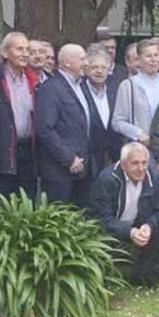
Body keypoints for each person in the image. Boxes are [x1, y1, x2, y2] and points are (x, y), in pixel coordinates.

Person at [90, 142, 159, 286]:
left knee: (158, 229)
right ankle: (103, 276)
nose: (141, 168)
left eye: (144, 163)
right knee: (97, 230)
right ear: (123, 164)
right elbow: (101, 218)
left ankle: (142, 275)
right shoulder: (106, 179)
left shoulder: (156, 178)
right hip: (112, 226)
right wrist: (129, 232)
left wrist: (148, 227)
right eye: (135, 163)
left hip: (140, 225)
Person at [0, 32, 42, 201]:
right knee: (1, 203)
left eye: (27, 49)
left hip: (29, 151)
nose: (25, 53)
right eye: (19, 49)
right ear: (5, 53)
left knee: (28, 202)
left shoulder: (34, 80)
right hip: (4, 151)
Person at [35, 44, 92, 207]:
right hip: (60, 170)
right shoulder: (51, 88)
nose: (86, 63)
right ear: (67, 62)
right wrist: (68, 158)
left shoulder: (81, 86)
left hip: (82, 168)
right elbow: (45, 129)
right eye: (82, 59)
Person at [112, 39, 159, 146]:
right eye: (148, 56)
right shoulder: (128, 86)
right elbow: (117, 122)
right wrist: (138, 133)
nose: (153, 60)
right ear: (140, 60)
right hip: (140, 148)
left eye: (156, 55)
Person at [82, 45, 122, 176]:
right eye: (94, 67)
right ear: (86, 69)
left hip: (112, 154)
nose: (99, 71)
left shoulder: (115, 89)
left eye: (103, 68)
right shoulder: (79, 90)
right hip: (87, 155)